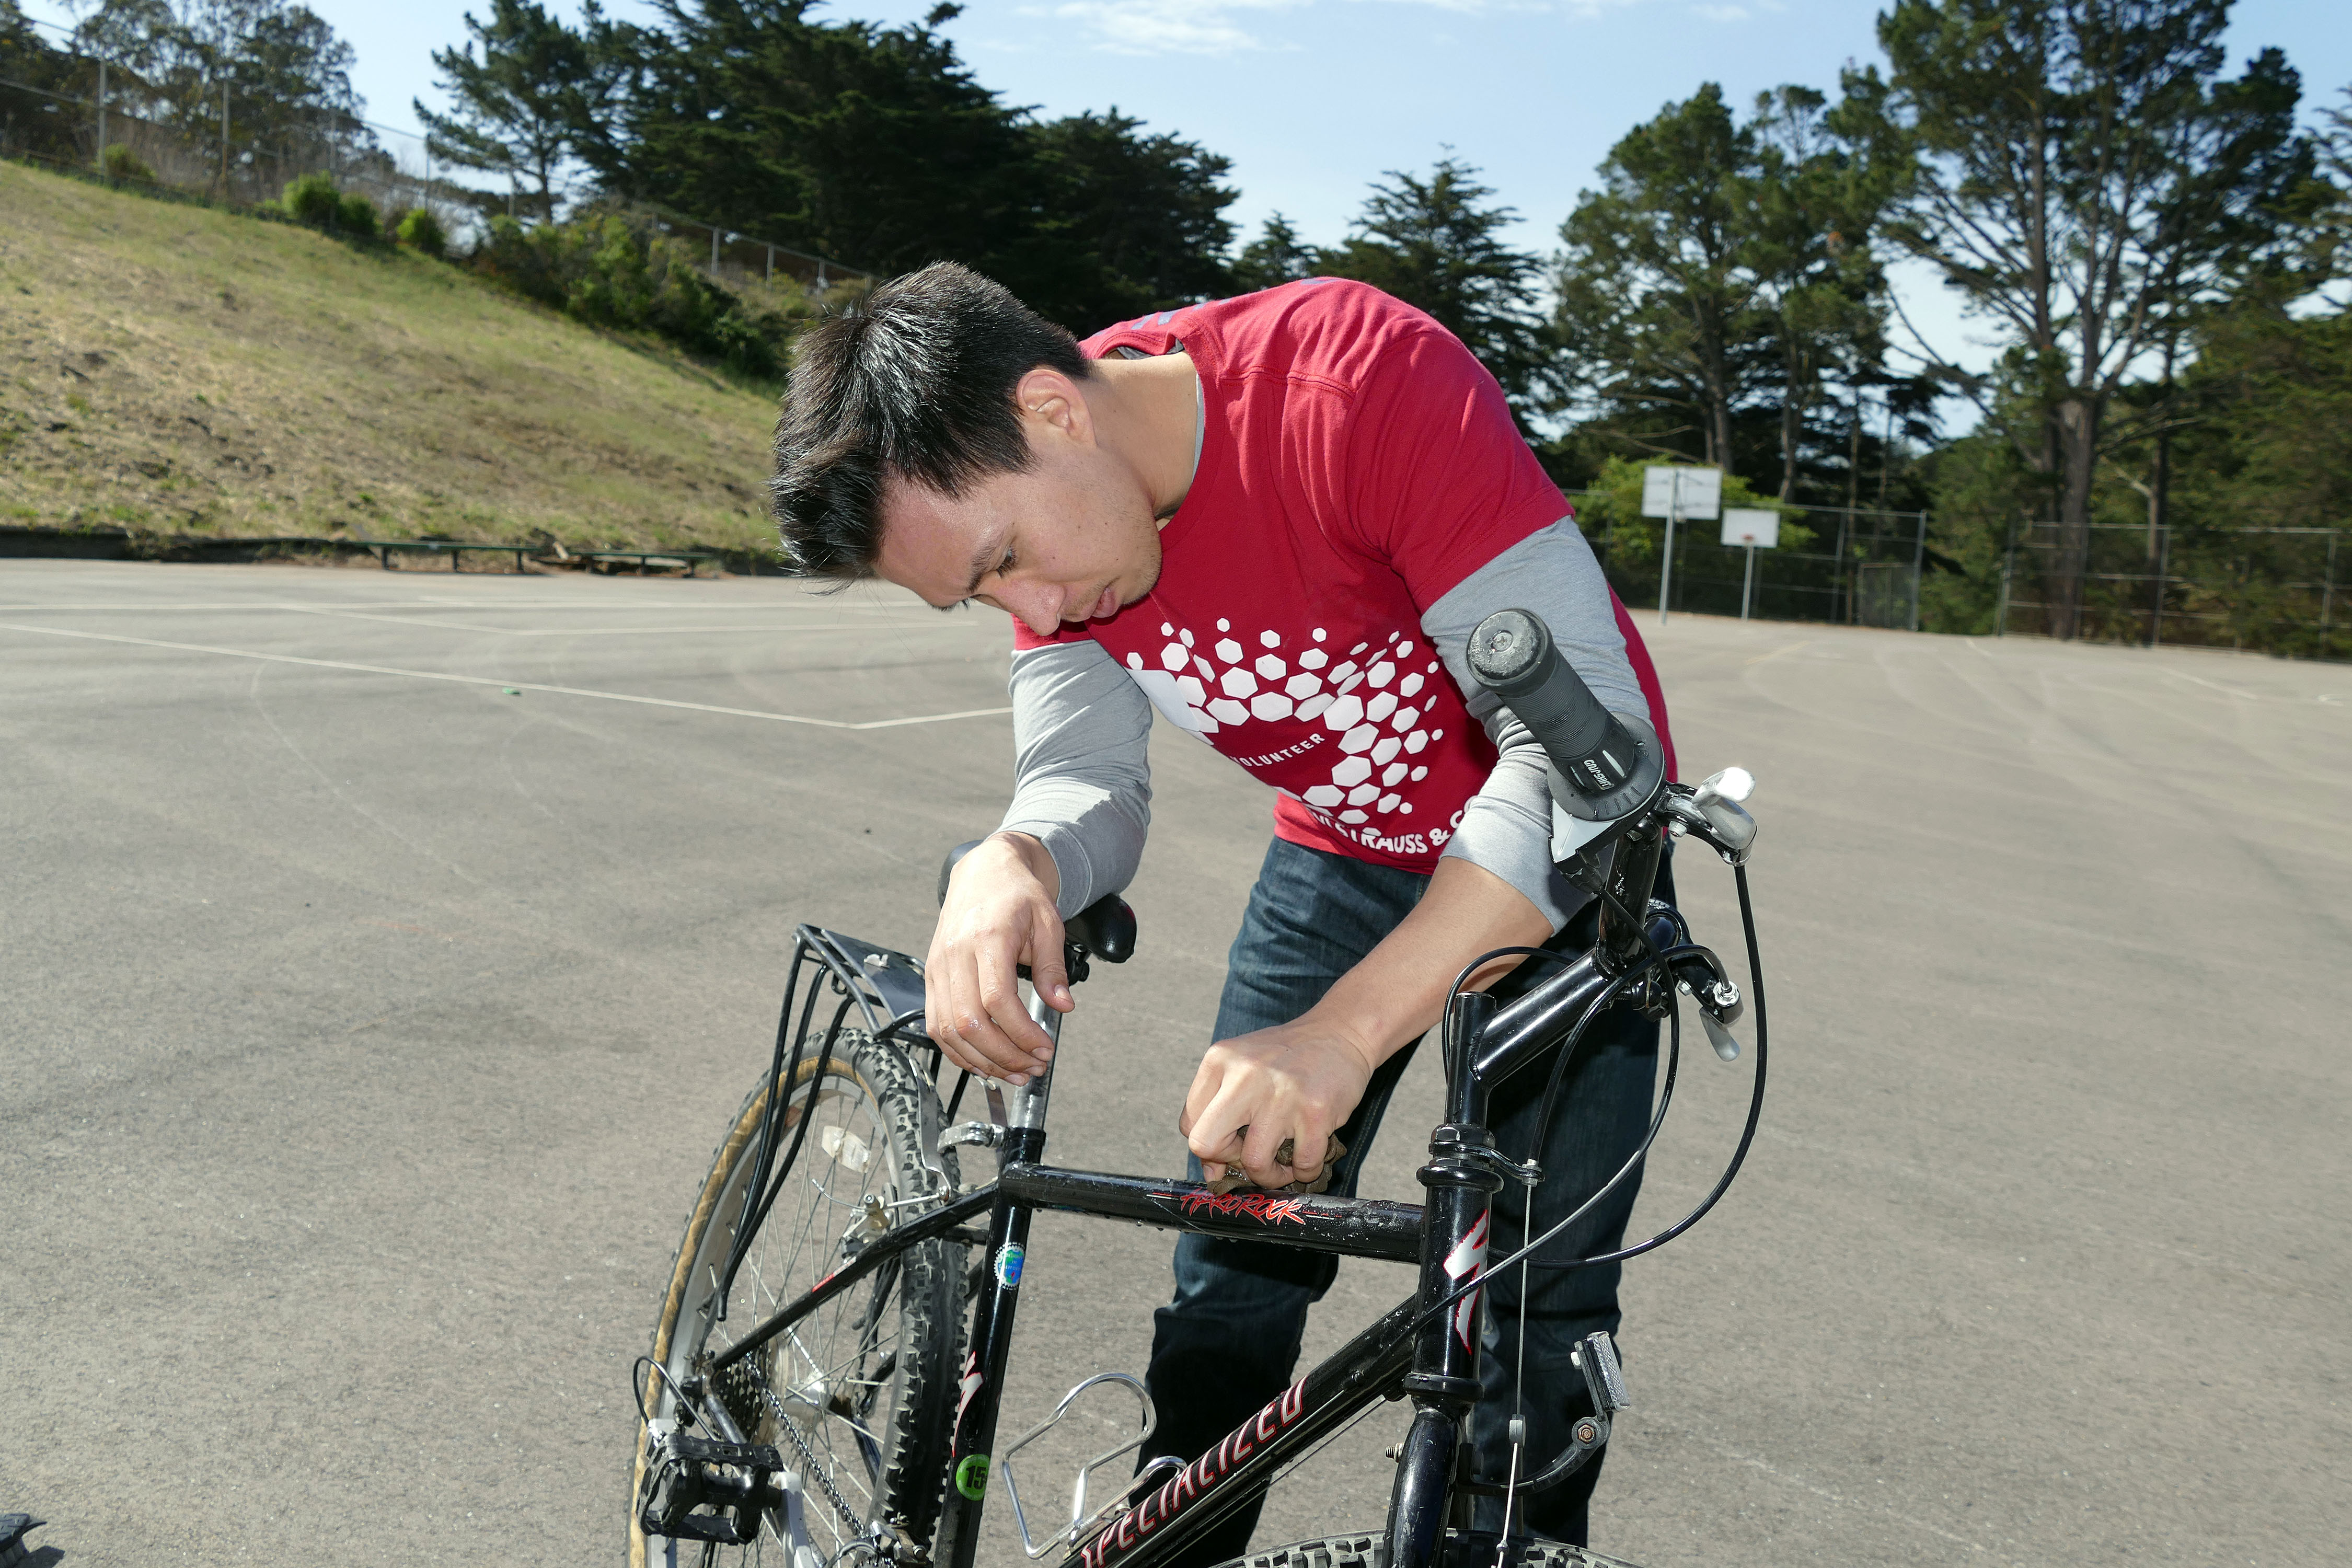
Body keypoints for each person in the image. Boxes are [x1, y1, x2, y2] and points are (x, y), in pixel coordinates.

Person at [769, 262, 1676, 1563]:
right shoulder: (1058, 504)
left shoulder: (1358, 388)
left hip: (1571, 873)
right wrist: (1015, 859)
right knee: (1233, 1270)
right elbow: (1083, 776)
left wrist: (1346, 1032)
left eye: (1006, 562)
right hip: (1345, 857)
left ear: (1055, 411)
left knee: (1543, 1310)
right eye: (981, 597)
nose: (1031, 614)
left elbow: (1587, 765)